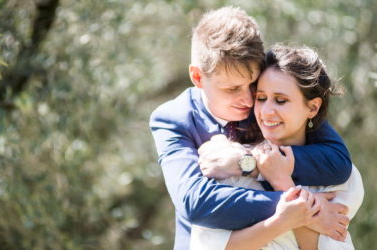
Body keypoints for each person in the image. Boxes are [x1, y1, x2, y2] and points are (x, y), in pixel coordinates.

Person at [149, 6, 352, 250]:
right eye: (232, 89)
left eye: (252, 85)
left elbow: (338, 162)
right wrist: (303, 208)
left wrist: (248, 163)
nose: (249, 100)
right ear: (198, 78)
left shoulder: (270, 94)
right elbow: (197, 203)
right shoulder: (173, 119)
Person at [191, 44, 364, 250]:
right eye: (261, 98)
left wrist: (282, 182)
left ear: (313, 107)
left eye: (281, 101)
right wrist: (289, 217)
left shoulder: (345, 180)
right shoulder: (227, 160)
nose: (266, 111)